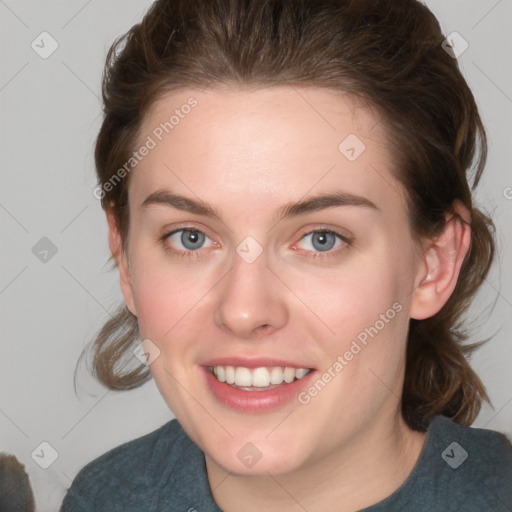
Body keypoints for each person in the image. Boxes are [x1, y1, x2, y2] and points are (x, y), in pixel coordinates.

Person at [60, 0, 512, 510]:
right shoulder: (102, 498)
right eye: (190, 237)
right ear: (124, 257)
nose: (245, 311)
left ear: (434, 264)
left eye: (322, 238)